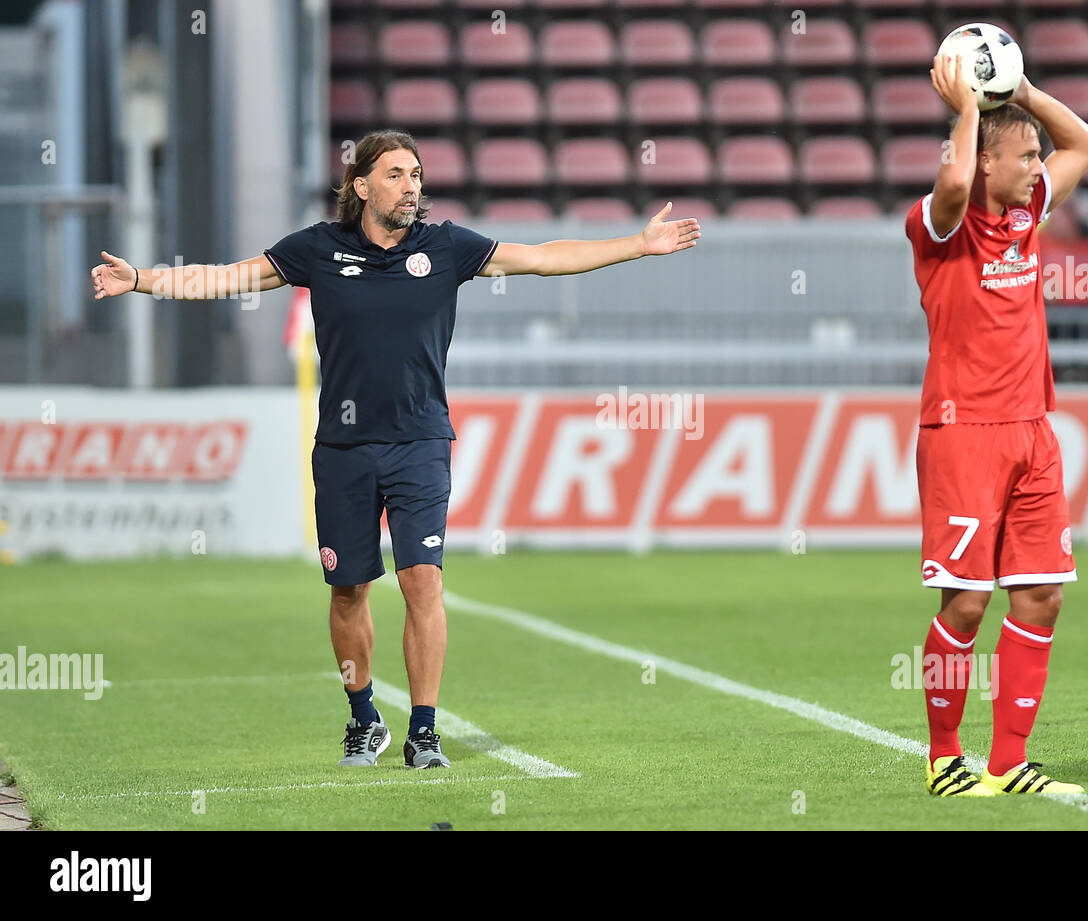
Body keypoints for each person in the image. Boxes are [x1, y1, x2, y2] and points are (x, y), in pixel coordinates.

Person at [89, 129, 701, 769]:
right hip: (345, 450)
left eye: (416, 174)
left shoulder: (447, 247)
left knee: (423, 582)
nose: (412, 186)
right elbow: (227, 278)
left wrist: (637, 244)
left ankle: (426, 730)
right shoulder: (316, 250)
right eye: (396, 175)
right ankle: (363, 718)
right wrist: (141, 280)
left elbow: (544, 257)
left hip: (421, 444)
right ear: (361, 187)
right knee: (348, 591)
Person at [904, 55, 1088, 796]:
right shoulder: (938, 225)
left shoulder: (1027, 212)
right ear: (984, 161)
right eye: (1021, 156)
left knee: (1042, 595)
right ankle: (943, 755)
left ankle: (1009, 762)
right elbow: (952, 182)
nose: (1035, 166)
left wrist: (1022, 95)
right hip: (962, 431)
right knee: (966, 600)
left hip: (1032, 430)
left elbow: (1086, 146)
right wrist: (966, 108)